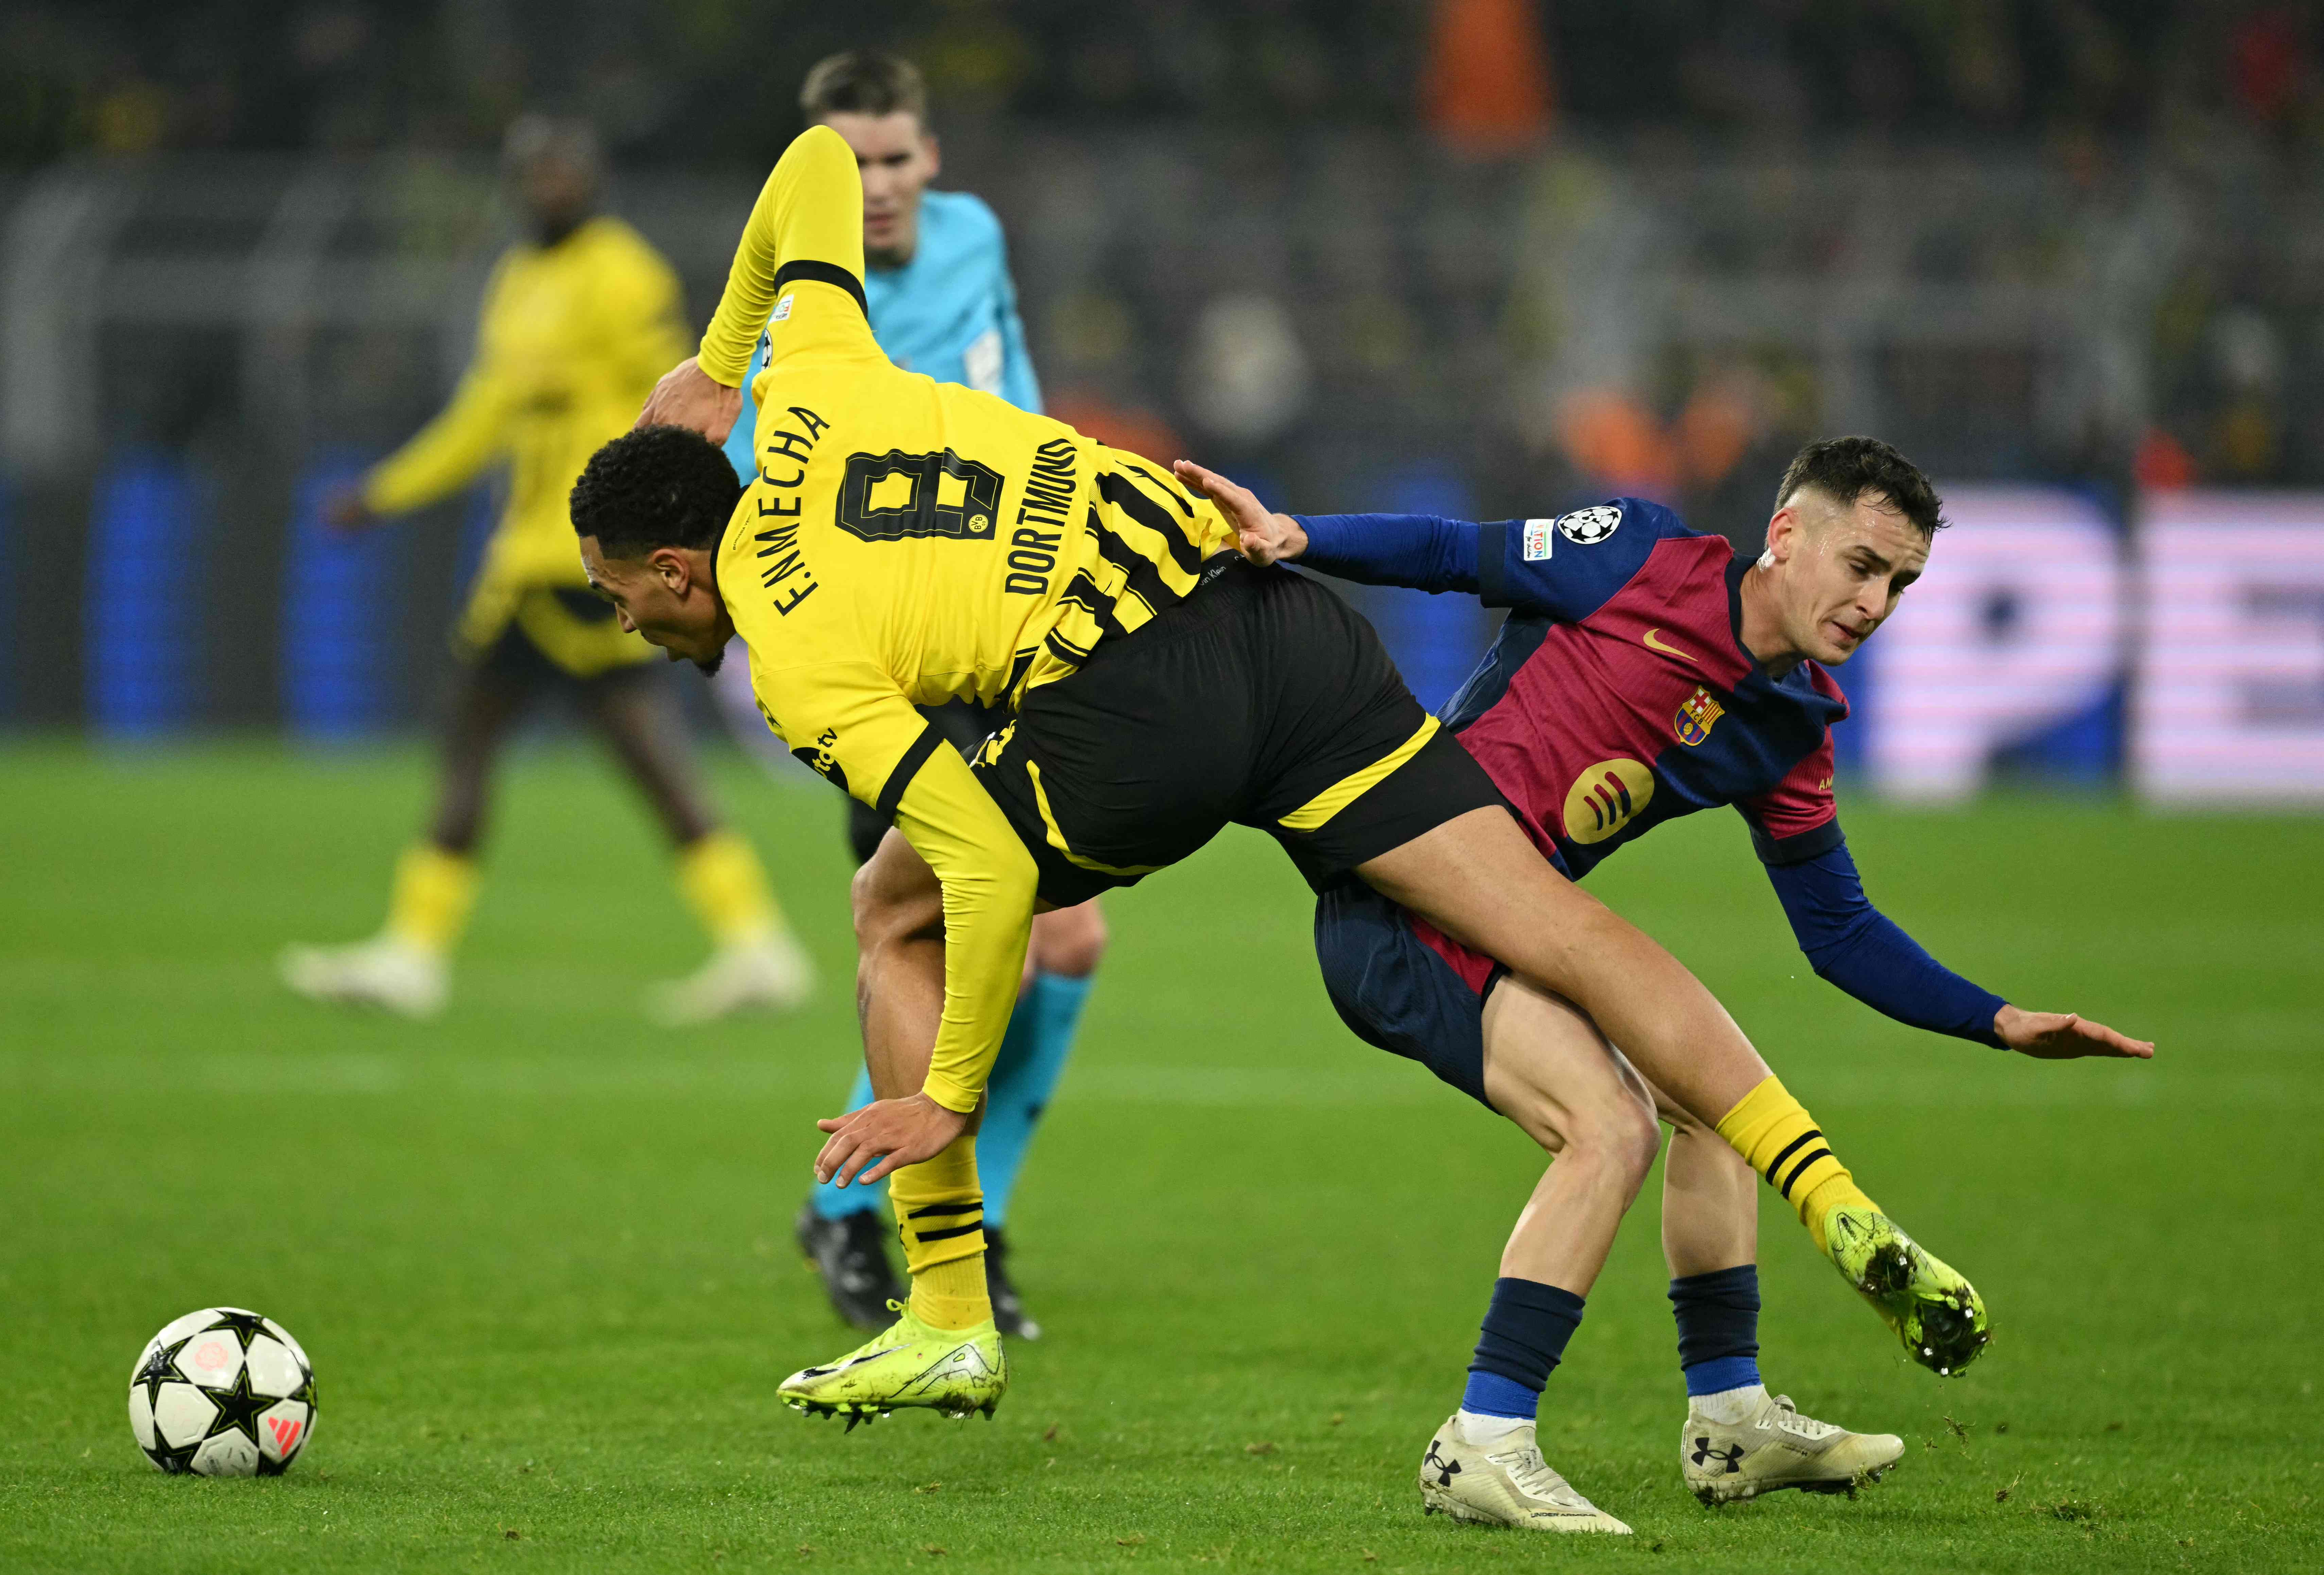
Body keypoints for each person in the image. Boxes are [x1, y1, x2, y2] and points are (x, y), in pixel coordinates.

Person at [573, 124, 1984, 1493]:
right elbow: (817, 158)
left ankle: (944, 1308)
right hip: (1280, 625)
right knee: (1551, 921)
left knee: (891, 906)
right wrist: (715, 359)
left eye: (615, 590)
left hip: (1141, 713)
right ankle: (1824, 1194)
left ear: (678, 569)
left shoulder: (794, 657)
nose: (618, 621)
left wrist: (945, 1096)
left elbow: (985, 866)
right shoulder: (815, 366)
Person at [1175, 440, 2152, 1528]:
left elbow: (1837, 932)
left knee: (1718, 1110)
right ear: (1787, 535)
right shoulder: (1640, 556)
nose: (1876, 602)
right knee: (1614, 1127)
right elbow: (1457, 551)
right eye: (1865, 564)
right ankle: (1483, 1439)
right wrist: (1304, 536)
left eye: (1901, 583)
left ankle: (1728, 1416)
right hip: (1409, 909)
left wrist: (2001, 1020)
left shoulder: (1789, 727)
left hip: (1528, 933)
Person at [709, 52, 1095, 1341]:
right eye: (851, 162)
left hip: (1009, 623)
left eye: (896, 158)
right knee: (937, 924)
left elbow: (1014, 386)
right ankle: (904, 1225)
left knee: (1063, 941)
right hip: (888, 653)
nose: (875, 187)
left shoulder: (977, 236)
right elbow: (769, 478)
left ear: (933, 157)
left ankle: (940, 1223)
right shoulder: (800, 310)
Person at [280, 115, 810, 1025]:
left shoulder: (624, 274)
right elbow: (484, 416)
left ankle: (415, 953)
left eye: (564, 172)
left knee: (477, 739)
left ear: (594, 179)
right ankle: (757, 942)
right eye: (534, 173)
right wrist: (386, 493)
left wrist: (681, 521)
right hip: (534, 555)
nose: (548, 187)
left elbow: (688, 400)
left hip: (585, 560)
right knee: (631, 754)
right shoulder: (517, 278)